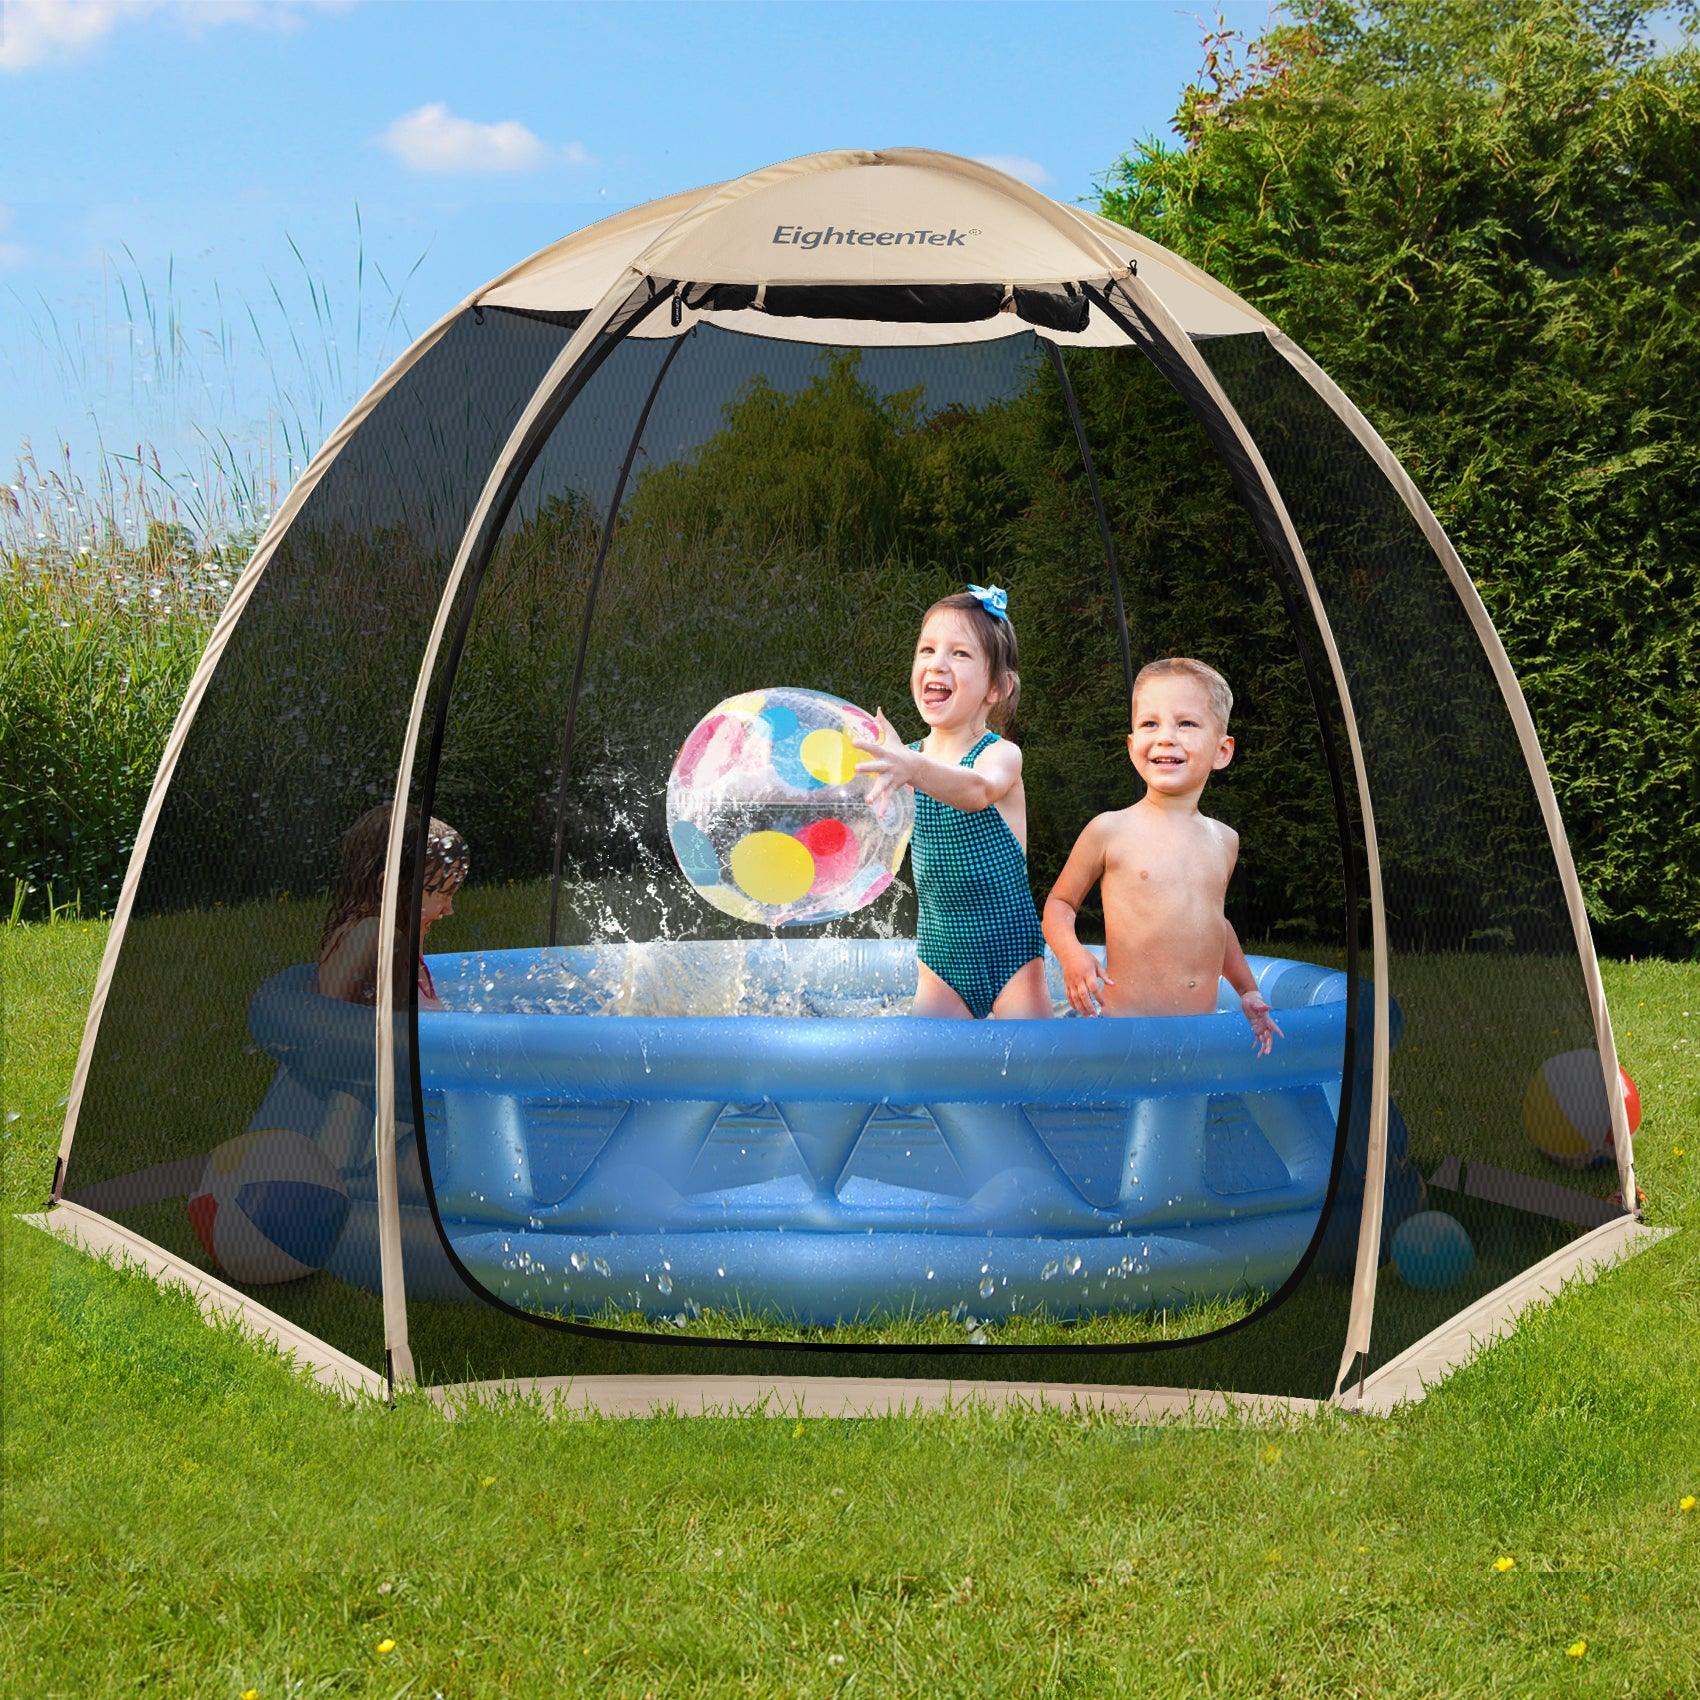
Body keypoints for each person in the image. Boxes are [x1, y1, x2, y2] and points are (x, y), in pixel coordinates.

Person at [1042, 657, 1281, 1052]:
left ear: (1222, 751)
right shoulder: (1110, 830)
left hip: (1197, 1034)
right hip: (1125, 1034)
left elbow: (1215, 925)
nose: (1166, 737)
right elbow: (1060, 903)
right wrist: (1072, 956)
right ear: (1133, 745)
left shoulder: (1224, 839)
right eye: (1150, 724)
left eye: (1186, 724)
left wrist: (1247, 991)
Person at [853, 585, 1051, 1019]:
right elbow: (850, 806)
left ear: (996, 688)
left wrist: (910, 769)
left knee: (1033, 1076)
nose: (937, 663)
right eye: (927, 650)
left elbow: (977, 791)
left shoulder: (1000, 755)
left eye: (959, 654)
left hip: (1010, 955)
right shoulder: (906, 760)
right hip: (941, 960)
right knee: (928, 1080)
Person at [317, 802, 469, 1010]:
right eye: (443, 893)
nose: (448, 909)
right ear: (391, 888)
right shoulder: (375, 936)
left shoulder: (397, 937)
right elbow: (330, 1024)